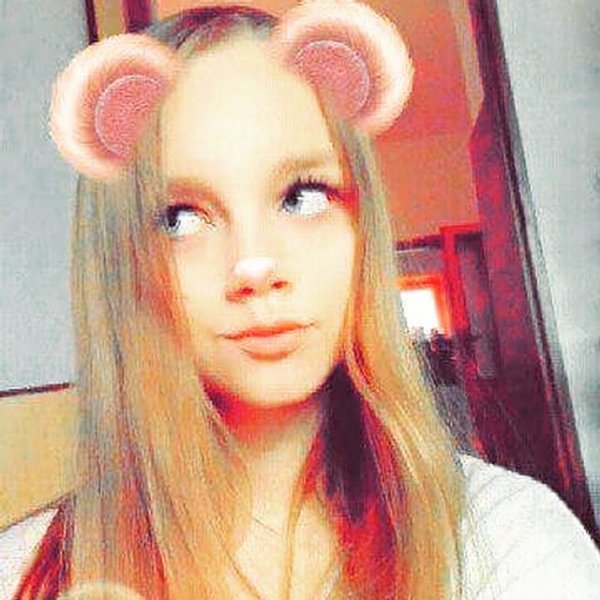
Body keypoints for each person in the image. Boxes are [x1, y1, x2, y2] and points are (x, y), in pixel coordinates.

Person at [1, 3, 599, 599]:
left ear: (362, 223)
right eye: (180, 217)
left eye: (302, 197)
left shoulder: (511, 540)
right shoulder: (22, 574)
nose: (255, 267)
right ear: (121, 261)